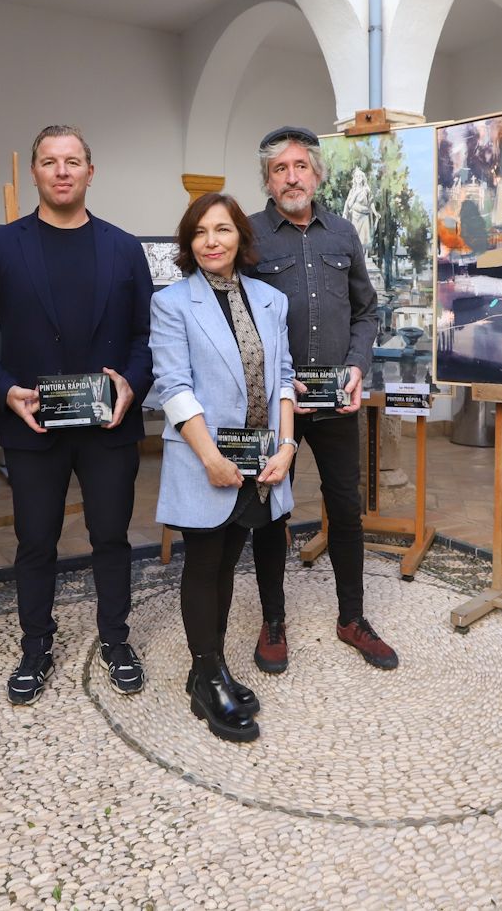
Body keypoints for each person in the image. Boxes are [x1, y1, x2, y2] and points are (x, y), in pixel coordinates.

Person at [0, 125, 155, 703]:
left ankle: (116, 640)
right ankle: (35, 646)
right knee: (35, 541)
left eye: (74, 161)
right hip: (33, 423)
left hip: (108, 426)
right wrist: (3, 391)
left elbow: (148, 335)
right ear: (35, 174)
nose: (62, 171)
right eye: (50, 161)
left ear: (91, 172)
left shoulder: (124, 248)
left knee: (111, 537)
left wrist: (131, 385)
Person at [245, 125, 400, 673]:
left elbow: (366, 311)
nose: (292, 177)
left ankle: (351, 617)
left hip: (336, 400)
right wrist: (273, 383)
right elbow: (237, 317)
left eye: (301, 167)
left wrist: (358, 368)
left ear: (317, 174)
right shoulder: (249, 236)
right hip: (278, 403)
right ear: (267, 179)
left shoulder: (343, 235)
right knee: (268, 510)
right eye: (280, 169)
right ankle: (273, 619)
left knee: (346, 508)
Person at [151, 193, 296, 743]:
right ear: (188, 243)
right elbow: (173, 386)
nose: (213, 241)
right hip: (204, 459)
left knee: (231, 554)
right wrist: (210, 457)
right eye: (201, 233)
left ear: (240, 237)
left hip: (262, 462)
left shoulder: (269, 300)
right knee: (204, 563)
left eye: (223, 230)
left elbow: (282, 377)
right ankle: (208, 674)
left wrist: (286, 448)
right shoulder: (171, 303)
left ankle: (205, 669)